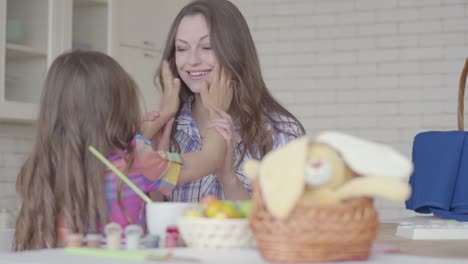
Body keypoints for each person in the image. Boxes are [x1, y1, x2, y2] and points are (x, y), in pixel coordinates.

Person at [13, 50, 230, 250]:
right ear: (118, 109)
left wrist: (164, 116)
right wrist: (217, 110)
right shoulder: (139, 159)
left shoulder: (40, 168)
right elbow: (210, 158)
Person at [155, 0, 305, 202]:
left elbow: (284, 226)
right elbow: (150, 211)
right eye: (181, 49)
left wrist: (229, 179)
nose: (192, 60)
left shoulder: (281, 132)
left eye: (207, 46)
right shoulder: (167, 130)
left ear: (235, 51)